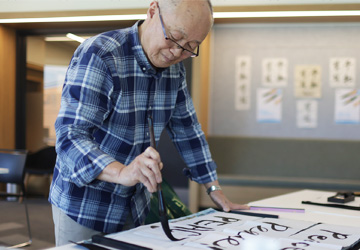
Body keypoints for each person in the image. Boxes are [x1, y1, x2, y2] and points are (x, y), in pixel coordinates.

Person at [49, 0, 248, 246]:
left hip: (136, 205)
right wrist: (123, 172)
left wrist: (213, 188)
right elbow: (70, 137)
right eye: (174, 38)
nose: (177, 53)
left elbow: (188, 131)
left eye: (191, 47)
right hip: (86, 204)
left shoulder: (175, 71)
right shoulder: (101, 54)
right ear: (153, 11)